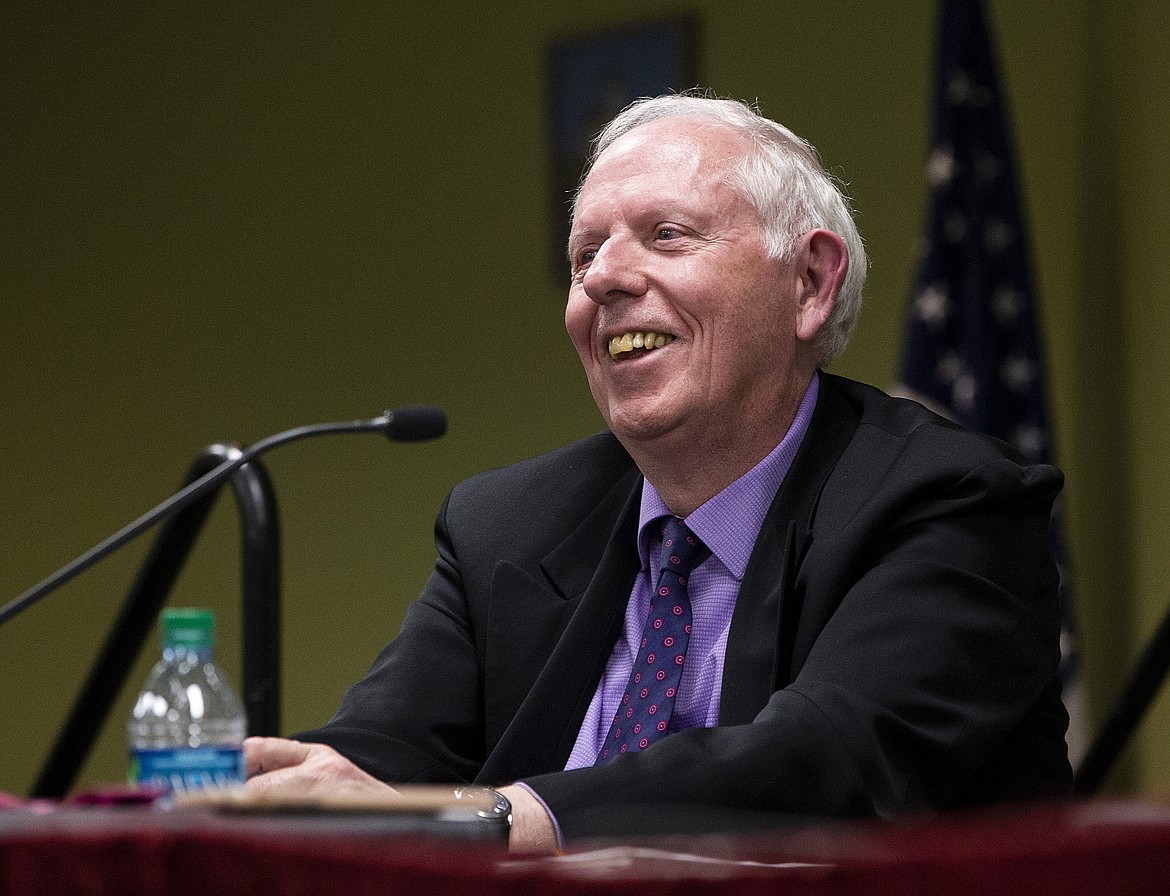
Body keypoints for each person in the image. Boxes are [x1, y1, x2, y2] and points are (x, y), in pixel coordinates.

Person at [244, 92, 1072, 852]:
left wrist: (506, 816)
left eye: (667, 234)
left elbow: (828, 765)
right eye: (583, 255)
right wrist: (265, 791)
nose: (601, 277)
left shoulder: (949, 503)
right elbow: (372, 763)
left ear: (811, 282)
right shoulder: (506, 524)